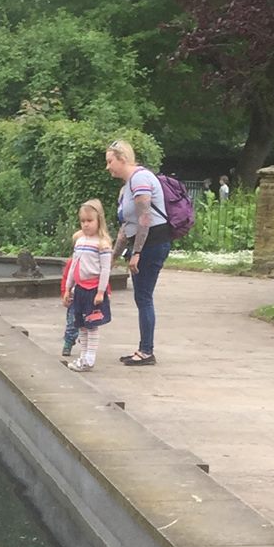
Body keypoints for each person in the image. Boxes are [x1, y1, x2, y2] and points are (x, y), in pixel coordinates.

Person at [106, 138, 169, 368]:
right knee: (141, 297)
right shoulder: (127, 187)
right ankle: (144, 348)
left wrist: (137, 252)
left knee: (144, 297)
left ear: (122, 159)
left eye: (110, 161)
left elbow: (145, 218)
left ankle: (146, 351)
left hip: (153, 244)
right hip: (143, 245)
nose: (108, 167)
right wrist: (114, 256)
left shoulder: (140, 179)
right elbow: (127, 226)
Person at [61, 199, 113, 372]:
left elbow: (105, 269)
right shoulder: (80, 241)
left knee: (92, 324)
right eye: (83, 221)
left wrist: (101, 291)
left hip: (93, 289)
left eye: (90, 220)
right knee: (81, 324)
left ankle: (90, 358)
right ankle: (83, 356)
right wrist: (68, 288)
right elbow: (74, 266)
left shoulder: (102, 244)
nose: (86, 224)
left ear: (99, 221)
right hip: (80, 289)